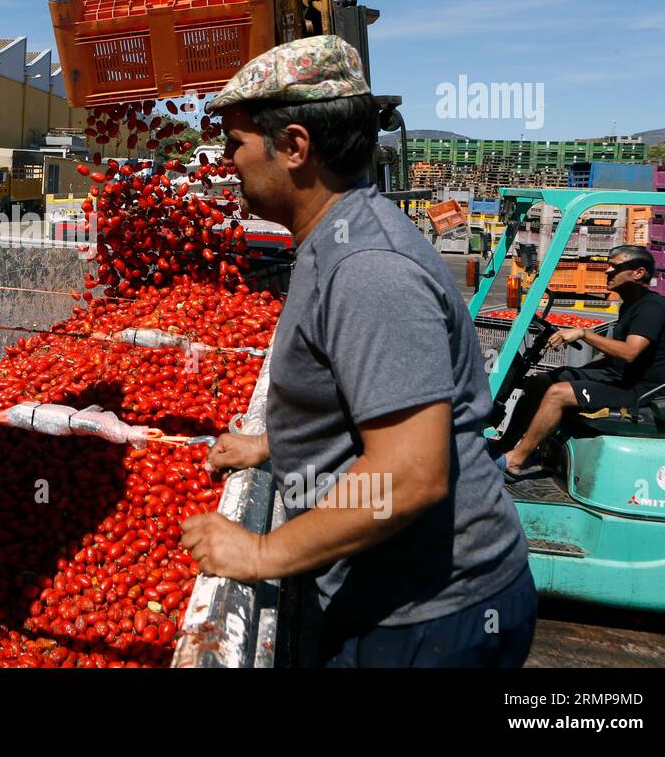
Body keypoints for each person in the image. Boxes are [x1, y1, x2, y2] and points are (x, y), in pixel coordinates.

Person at [178, 35, 536, 667]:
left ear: (294, 147)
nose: (226, 161)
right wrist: (282, 442)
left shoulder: (368, 268)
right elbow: (361, 395)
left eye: (235, 143)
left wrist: (262, 553)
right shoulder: (334, 239)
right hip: (406, 605)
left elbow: (409, 475)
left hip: (428, 622)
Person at [496, 245, 665, 479]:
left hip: (642, 389)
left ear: (638, 273)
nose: (607, 271)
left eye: (615, 266)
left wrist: (583, 333)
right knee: (540, 381)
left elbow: (629, 353)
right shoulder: (630, 305)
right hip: (620, 377)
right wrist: (580, 372)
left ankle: (515, 462)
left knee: (558, 393)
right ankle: (506, 445)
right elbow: (614, 355)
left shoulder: (651, 309)